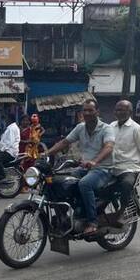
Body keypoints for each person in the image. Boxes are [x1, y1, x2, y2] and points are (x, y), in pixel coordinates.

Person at [44, 98, 116, 237]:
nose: (87, 113)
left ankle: (92, 222)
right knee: (58, 182)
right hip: (84, 168)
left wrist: (95, 161)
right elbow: (65, 142)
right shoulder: (80, 127)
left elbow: (109, 147)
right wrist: (46, 153)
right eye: (85, 110)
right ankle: (64, 216)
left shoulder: (106, 128)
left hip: (103, 169)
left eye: (90, 110)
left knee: (84, 184)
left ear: (97, 112)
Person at [110, 100, 140, 219]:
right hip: (111, 166)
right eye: (117, 109)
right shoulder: (111, 126)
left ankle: (122, 211)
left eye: (123, 110)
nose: (119, 112)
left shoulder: (136, 129)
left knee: (126, 184)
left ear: (130, 112)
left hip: (129, 168)